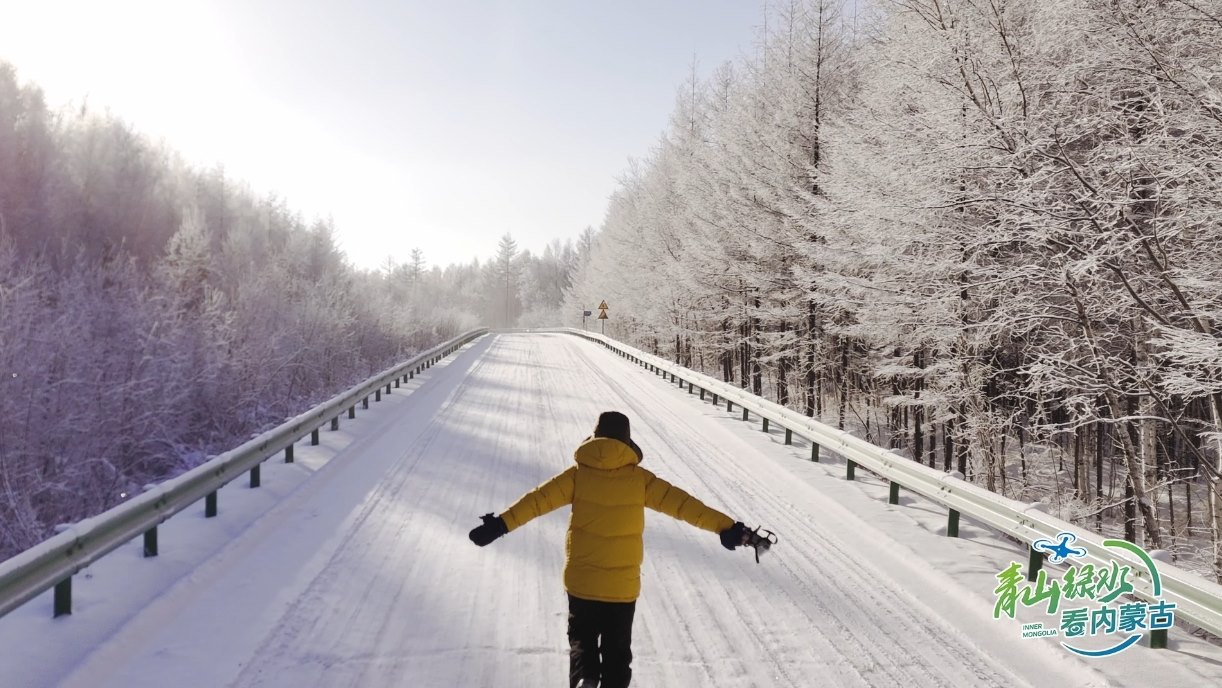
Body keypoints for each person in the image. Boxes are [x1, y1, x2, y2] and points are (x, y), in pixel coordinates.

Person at [468, 410, 758, 688]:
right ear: (627, 443)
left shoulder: (577, 475)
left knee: (582, 642)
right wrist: (727, 527)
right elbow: (686, 506)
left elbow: (536, 501)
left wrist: (500, 525)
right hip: (621, 587)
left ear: (594, 438)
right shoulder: (642, 480)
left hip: (582, 583)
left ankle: (585, 677)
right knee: (617, 652)